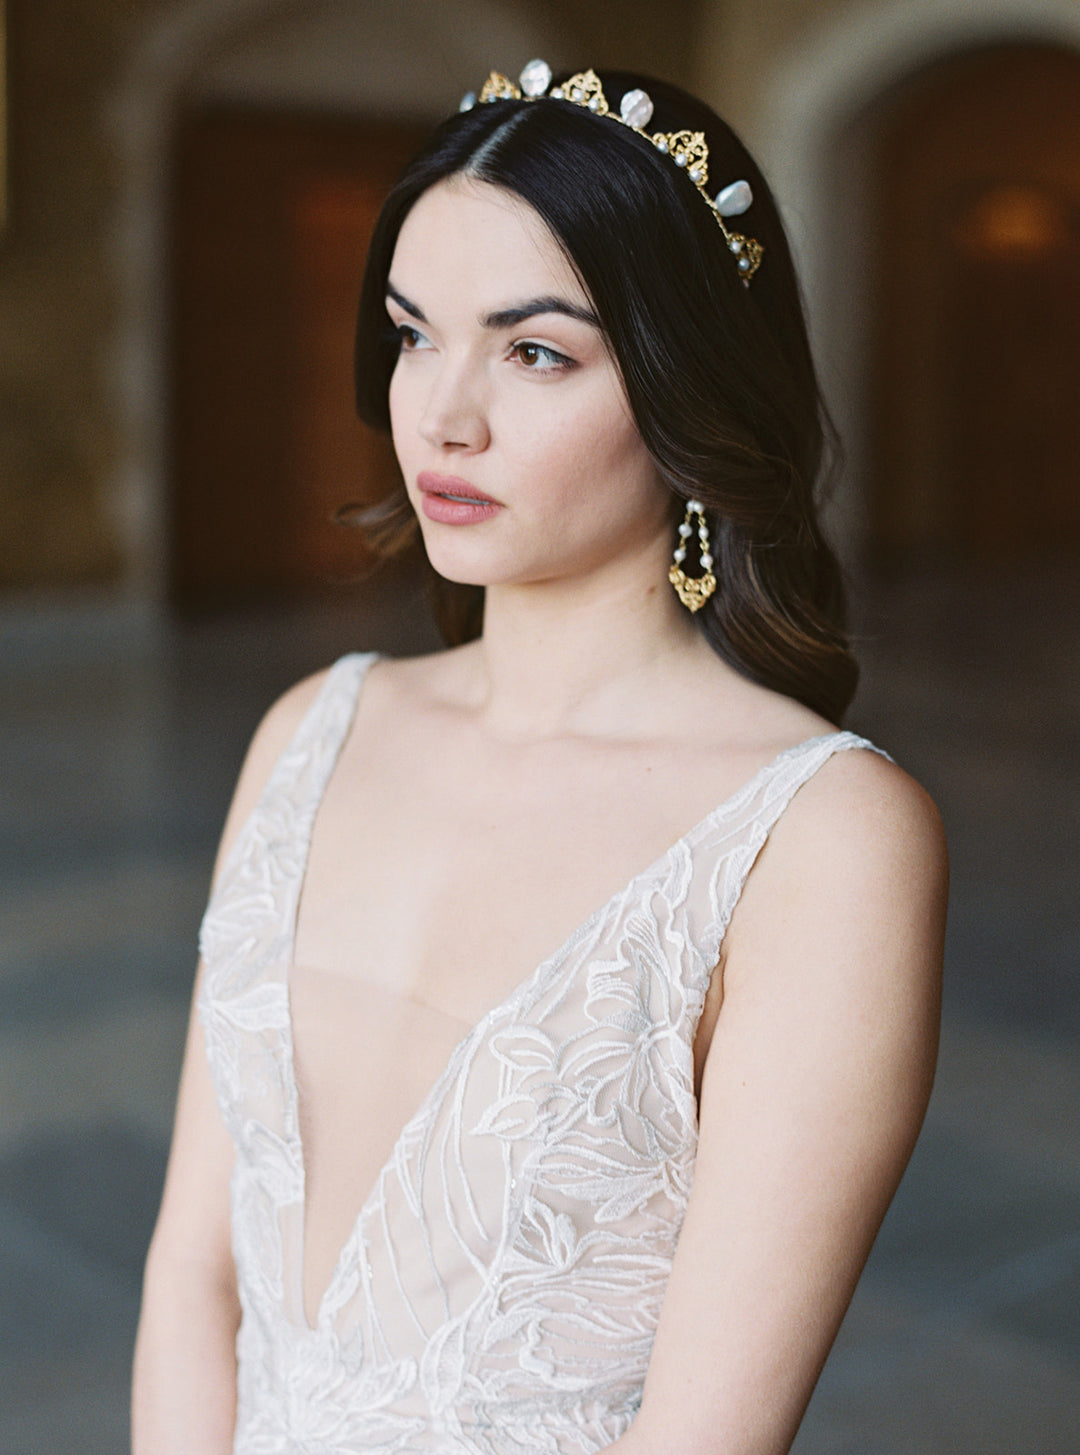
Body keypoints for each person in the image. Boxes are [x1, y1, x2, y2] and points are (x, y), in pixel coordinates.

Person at [132, 63, 948, 1455]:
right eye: (410, 335)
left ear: (688, 388)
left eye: (535, 352)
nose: (442, 416)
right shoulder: (309, 730)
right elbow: (195, 1275)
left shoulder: (823, 839)